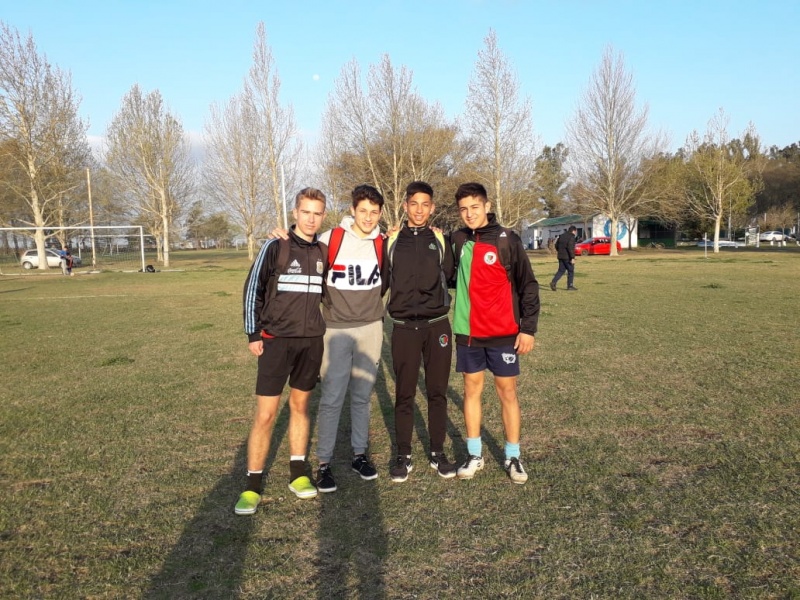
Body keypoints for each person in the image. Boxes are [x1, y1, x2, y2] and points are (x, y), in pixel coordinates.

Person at [235, 187, 328, 515]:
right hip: (276, 341)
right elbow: (253, 290)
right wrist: (253, 332)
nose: (311, 218)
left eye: (317, 213)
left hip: (310, 342)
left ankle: (298, 474)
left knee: (301, 407)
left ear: (323, 216)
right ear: (295, 213)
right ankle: (252, 485)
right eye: (306, 212)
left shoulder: (323, 252)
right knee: (266, 414)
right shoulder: (275, 246)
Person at [451, 182, 540, 484]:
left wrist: (527, 328)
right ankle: (475, 454)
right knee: (471, 392)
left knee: (508, 393)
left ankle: (513, 456)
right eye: (463, 209)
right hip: (469, 334)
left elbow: (528, 284)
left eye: (475, 207)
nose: (469, 214)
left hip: (503, 333)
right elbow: (446, 276)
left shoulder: (507, 240)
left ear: (487, 206)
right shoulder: (457, 239)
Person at [382, 181, 457, 482]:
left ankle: (438, 452)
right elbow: (382, 282)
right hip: (403, 328)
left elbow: (451, 276)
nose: (419, 209)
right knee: (404, 393)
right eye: (414, 203)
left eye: (425, 204)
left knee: (437, 392)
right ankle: (404, 454)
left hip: (437, 326)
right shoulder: (391, 241)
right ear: (405, 206)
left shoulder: (440, 241)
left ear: (433, 208)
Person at [313, 185, 386, 493]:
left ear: (380, 213)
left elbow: (385, 281)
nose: (368, 217)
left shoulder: (384, 242)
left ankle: (359, 455)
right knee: (331, 397)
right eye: (363, 211)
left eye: (374, 212)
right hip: (336, 329)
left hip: (371, 327)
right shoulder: (331, 239)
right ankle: (324, 463)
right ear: (352, 210)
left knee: (361, 395)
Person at [550, 225, 577, 291]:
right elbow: (570, 247)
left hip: (560, 256)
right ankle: (570, 285)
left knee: (561, 270)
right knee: (571, 270)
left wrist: (560, 251)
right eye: (575, 232)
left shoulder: (561, 235)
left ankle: (553, 282)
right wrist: (572, 257)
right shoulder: (571, 237)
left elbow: (556, 245)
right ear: (573, 231)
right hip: (567, 257)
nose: (575, 233)